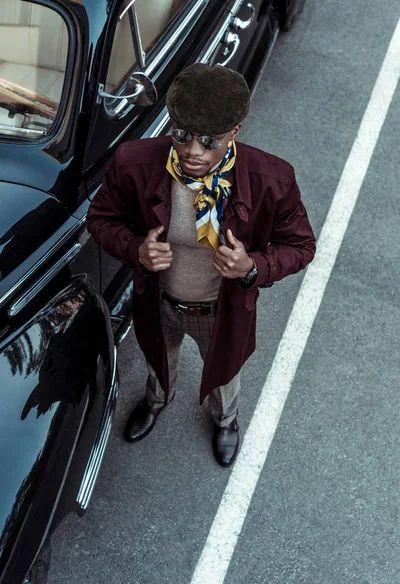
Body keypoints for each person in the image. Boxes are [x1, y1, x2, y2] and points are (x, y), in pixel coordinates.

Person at [86, 63, 316, 468]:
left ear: (235, 132)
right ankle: (157, 402)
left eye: (209, 140)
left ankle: (226, 421)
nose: (193, 151)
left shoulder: (273, 179)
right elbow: (101, 220)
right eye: (182, 135)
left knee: (224, 374)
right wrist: (136, 248)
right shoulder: (133, 162)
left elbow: (301, 245)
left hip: (222, 309)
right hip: (159, 300)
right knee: (159, 359)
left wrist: (252, 266)